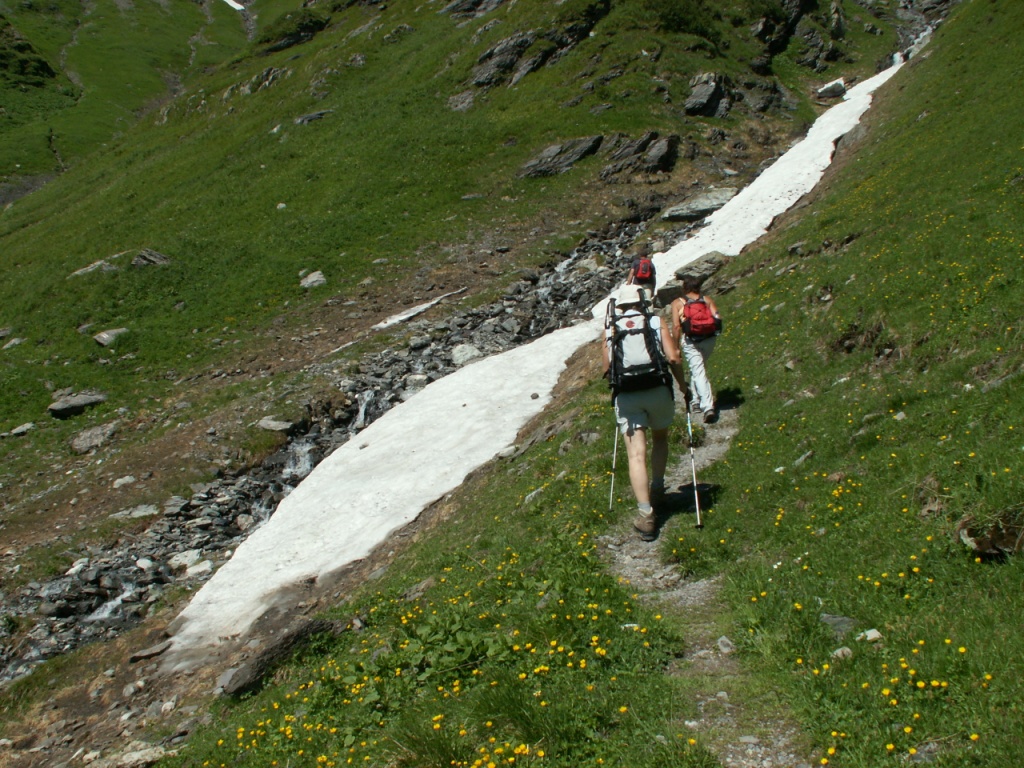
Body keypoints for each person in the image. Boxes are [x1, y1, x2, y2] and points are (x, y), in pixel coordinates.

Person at [602, 284, 687, 541]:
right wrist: (683, 386)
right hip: (657, 389)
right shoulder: (655, 321)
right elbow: (673, 358)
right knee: (660, 438)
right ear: (643, 301)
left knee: (635, 455)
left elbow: (607, 368)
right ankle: (658, 488)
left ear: (621, 306)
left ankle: (646, 515)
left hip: (628, 395)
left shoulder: (612, 327)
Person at [670, 276, 722, 424]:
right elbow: (718, 317)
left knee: (698, 370)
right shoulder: (706, 300)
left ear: (684, 288)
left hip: (691, 340)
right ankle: (696, 401)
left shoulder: (677, 303)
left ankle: (707, 407)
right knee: (698, 368)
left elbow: (675, 326)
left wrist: (676, 346)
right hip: (709, 339)